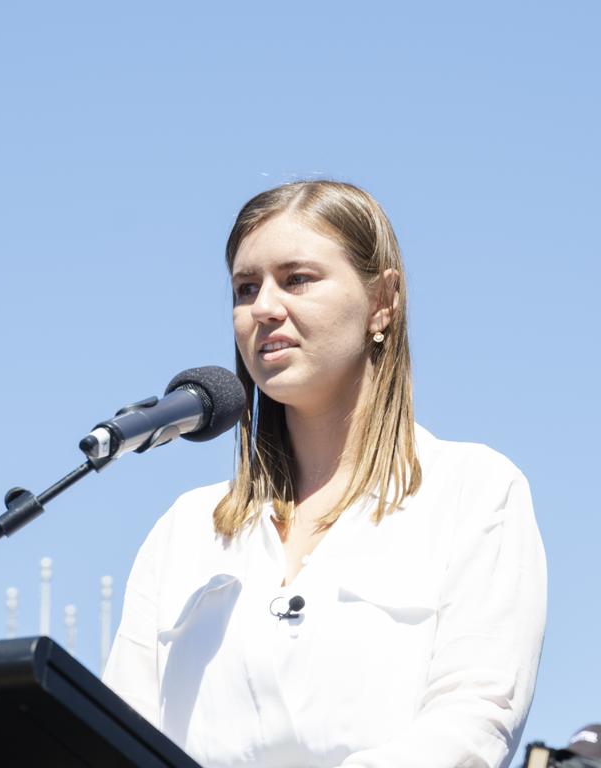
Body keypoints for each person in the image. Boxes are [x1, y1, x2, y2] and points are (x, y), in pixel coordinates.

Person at [102, 180, 547, 768]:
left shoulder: (475, 492)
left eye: (297, 279)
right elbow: (115, 739)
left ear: (383, 300)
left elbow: (473, 722)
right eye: (245, 288)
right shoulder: (185, 530)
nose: (263, 307)